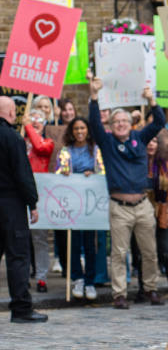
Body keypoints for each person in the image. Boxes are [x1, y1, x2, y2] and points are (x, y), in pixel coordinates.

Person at [88, 71, 166, 309]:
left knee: (150, 251)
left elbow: (160, 122)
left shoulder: (140, 138)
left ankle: (150, 289)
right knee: (120, 253)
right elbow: (93, 123)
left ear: (130, 123)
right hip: (119, 207)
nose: (120, 124)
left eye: (124, 121)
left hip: (142, 205)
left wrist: (152, 101)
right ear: (110, 126)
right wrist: (94, 96)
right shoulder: (107, 142)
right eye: (116, 122)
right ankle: (119, 294)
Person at [0, 96, 47, 323]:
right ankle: (21, 309)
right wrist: (33, 202)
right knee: (18, 257)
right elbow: (22, 174)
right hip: (11, 205)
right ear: (9, 113)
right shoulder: (12, 138)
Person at [55, 117, 105, 300]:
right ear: (72, 131)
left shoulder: (96, 150)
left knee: (90, 244)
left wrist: (93, 174)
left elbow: (102, 172)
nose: (79, 131)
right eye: (76, 128)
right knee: (73, 242)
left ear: (88, 130)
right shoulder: (66, 151)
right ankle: (77, 278)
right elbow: (57, 171)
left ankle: (90, 281)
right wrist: (64, 173)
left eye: (82, 128)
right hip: (73, 204)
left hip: (90, 204)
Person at [146, 136, 168, 299]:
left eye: (154, 141)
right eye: (148, 141)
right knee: (145, 252)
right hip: (143, 212)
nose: (151, 144)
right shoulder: (138, 166)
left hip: (163, 213)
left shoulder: (167, 167)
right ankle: (145, 289)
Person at [23, 108, 55, 293]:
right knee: (20, 240)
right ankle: (22, 276)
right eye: (32, 120)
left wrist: (28, 125)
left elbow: (40, 147)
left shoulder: (47, 142)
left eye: (39, 121)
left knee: (40, 239)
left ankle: (41, 277)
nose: (35, 123)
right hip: (21, 194)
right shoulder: (20, 140)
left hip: (40, 196)